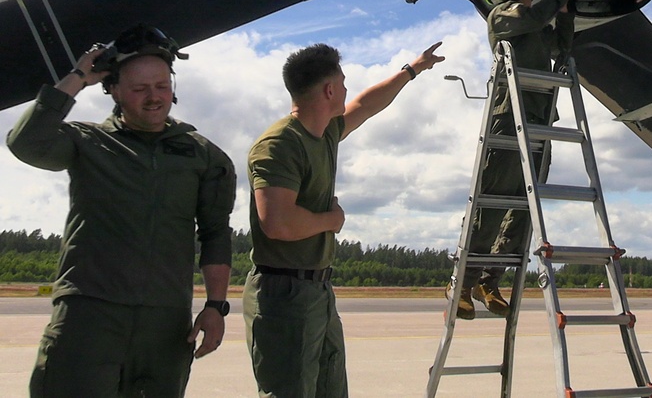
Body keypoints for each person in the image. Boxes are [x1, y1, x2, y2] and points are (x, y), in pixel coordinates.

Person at [6, 25, 236, 398]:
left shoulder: (203, 155)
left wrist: (215, 306)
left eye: (162, 86)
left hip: (165, 323)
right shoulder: (86, 143)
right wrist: (79, 76)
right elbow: (26, 142)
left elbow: (215, 233)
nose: (154, 98)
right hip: (89, 315)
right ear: (113, 90)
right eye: (139, 88)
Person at [243, 41, 445, 398]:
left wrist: (413, 69)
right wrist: (331, 221)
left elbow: (366, 105)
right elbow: (277, 223)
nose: (348, 89)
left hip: (316, 290)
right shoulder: (278, 145)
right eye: (344, 81)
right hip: (283, 295)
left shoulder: (326, 133)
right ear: (329, 89)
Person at [451, 0, 574, 320]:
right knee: (493, 199)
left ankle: (490, 279)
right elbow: (536, 14)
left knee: (524, 206)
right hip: (509, 119)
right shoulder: (502, 16)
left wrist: (565, 8)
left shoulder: (534, 25)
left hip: (539, 119)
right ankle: (463, 280)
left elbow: (561, 47)